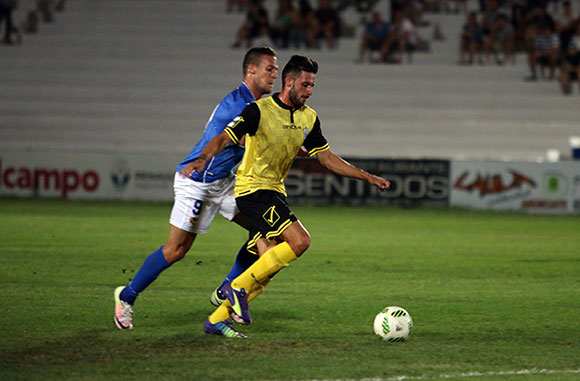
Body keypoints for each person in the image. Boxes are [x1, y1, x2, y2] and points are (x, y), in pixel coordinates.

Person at [184, 55, 390, 338]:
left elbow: (327, 159)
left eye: (313, 86)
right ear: (289, 81)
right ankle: (236, 288)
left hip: (276, 193)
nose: (309, 91)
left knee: (269, 265)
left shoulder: (309, 118)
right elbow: (225, 137)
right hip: (252, 191)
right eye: (305, 84)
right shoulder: (258, 110)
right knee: (300, 240)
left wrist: (367, 177)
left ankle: (217, 320)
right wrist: (203, 157)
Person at [113, 47, 279, 330]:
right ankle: (126, 297)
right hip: (198, 183)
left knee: (266, 231)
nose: (274, 74)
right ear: (251, 70)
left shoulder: (255, 105)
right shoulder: (236, 105)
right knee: (176, 250)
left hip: (225, 183)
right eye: (269, 68)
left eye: (276, 69)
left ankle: (228, 288)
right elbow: (231, 141)